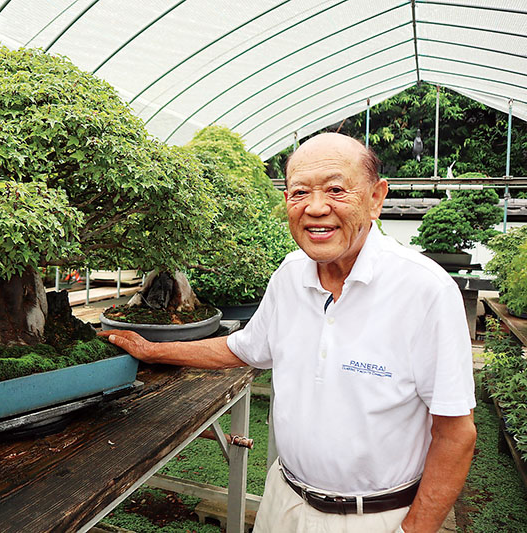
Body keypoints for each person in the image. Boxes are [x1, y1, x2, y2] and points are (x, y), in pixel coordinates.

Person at [99, 132, 477, 533]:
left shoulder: (425, 291)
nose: (316, 208)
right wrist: (154, 351)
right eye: (299, 193)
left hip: (376, 518)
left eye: (336, 189)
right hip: (283, 502)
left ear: (375, 198)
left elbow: (455, 432)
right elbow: (242, 348)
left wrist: (416, 529)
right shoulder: (290, 274)